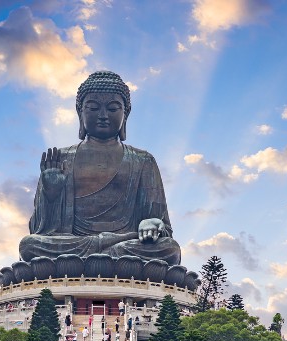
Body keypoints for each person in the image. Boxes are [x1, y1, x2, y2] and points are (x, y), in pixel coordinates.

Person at [18, 71, 181, 264]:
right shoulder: (61, 158)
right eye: (93, 108)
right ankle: (104, 256)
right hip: (76, 245)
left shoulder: (143, 160)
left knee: (169, 249)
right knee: (29, 245)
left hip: (124, 245)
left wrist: (152, 223)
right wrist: (51, 195)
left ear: (125, 114)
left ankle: (99, 257)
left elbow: (161, 227)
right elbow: (39, 230)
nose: (103, 116)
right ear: (80, 113)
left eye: (112, 109)